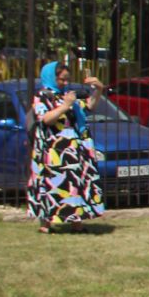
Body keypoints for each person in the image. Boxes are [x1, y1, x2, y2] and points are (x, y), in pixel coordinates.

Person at [28, 61, 105, 232]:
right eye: (62, 79)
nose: (64, 83)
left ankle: (76, 222)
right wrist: (64, 106)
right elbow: (46, 119)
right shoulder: (43, 96)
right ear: (51, 77)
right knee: (50, 185)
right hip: (52, 150)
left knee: (74, 185)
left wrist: (99, 89)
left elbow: (88, 106)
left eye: (67, 80)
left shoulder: (67, 95)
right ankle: (46, 224)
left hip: (72, 149)